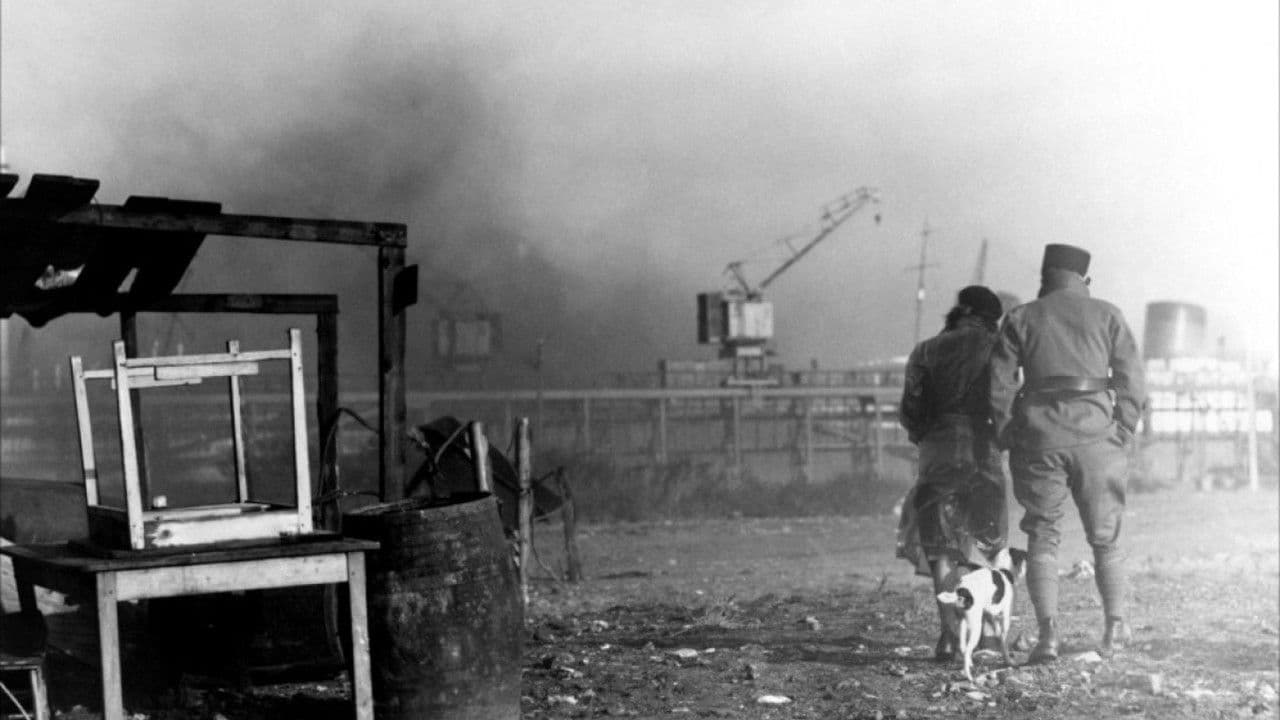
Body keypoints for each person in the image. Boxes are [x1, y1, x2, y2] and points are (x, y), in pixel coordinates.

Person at [988, 243, 1145, 663]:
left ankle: (1048, 636)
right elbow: (1132, 379)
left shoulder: (1020, 318)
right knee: (1106, 537)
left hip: (1039, 440)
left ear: (1045, 277)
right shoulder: (1108, 314)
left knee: (1042, 535)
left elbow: (1000, 385)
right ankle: (1114, 627)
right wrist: (1123, 427)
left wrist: (1009, 434)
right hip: (1098, 438)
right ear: (1083, 279)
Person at [897, 285, 1009, 660]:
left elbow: (910, 412)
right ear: (990, 319)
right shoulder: (998, 346)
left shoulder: (925, 350)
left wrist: (927, 436)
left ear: (960, 311)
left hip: (938, 452)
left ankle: (949, 636)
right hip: (983, 450)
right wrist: (1005, 436)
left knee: (941, 547)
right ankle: (989, 634)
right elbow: (1006, 398)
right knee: (988, 541)